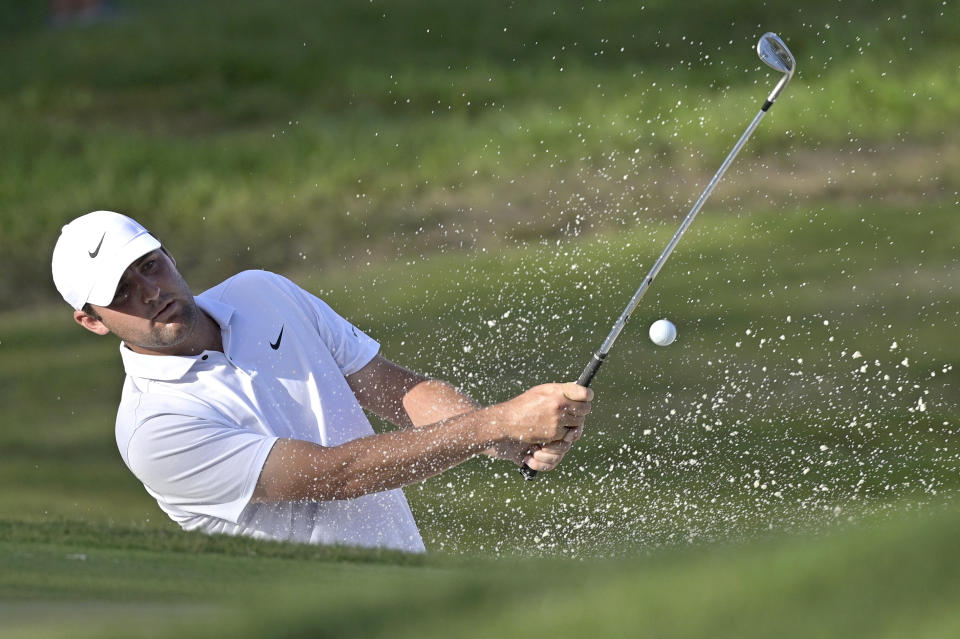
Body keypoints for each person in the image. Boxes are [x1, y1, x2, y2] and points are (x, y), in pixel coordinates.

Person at [51, 211, 593, 552]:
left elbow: (392, 388)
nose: (148, 291)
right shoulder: (154, 429)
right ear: (92, 320)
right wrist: (492, 423)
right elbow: (335, 475)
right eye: (120, 291)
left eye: (149, 265)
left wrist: (503, 439)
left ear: (167, 253)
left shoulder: (261, 292)